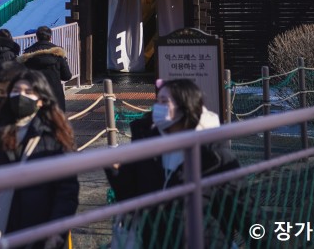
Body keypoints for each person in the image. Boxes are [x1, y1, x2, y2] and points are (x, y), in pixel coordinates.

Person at [105, 78, 255, 247]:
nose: (157, 108)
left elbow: (245, 214)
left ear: (185, 106)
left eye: (164, 102)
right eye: (157, 101)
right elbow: (131, 199)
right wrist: (116, 172)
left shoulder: (215, 156)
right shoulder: (148, 145)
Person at [0, 70, 79, 247]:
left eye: (29, 92)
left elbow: (66, 192)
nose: (21, 96)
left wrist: (57, 232)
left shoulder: (55, 136)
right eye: (16, 91)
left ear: (41, 100)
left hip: (39, 229)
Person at [19, 26, 73, 111]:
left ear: (37, 37)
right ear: (50, 37)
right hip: (55, 95)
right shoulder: (58, 53)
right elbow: (67, 76)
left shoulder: (27, 54)